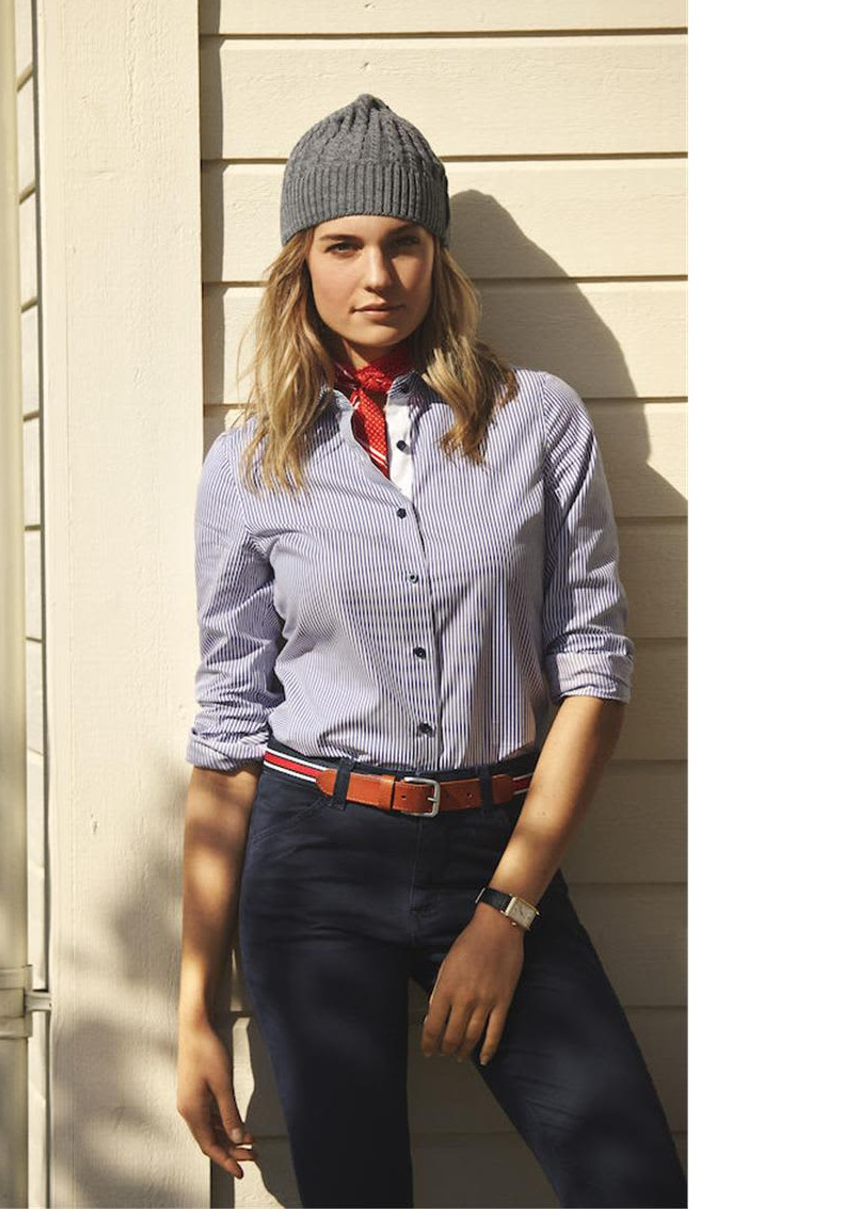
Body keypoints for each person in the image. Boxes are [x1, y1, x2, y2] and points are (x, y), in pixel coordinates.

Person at [175, 93, 686, 1209]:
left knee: (631, 1179)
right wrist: (194, 1013)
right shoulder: (249, 464)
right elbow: (224, 734)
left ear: (437, 257)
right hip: (311, 861)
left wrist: (504, 913)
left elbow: (593, 662)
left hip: (493, 852)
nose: (376, 275)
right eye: (341, 244)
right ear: (297, 265)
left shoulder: (534, 420)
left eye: (403, 241)